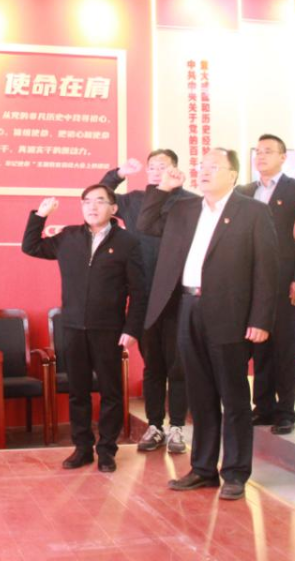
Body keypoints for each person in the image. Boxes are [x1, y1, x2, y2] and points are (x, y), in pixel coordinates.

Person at [138, 149, 278, 501]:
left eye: (214, 167)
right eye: (202, 166)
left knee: (233, 396)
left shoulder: (253, 212)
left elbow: (267, 269)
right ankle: (203, 469)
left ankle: (235, 472)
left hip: (230, 312)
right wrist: (163, 189)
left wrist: (260, 319)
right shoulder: (183, 209)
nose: (204, 171)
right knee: (199, 394)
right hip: (187, 307)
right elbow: (146, 224)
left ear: (232, 175)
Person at [22, 184, 148, 473]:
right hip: (73, 328)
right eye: (87, 201)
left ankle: (107, 450)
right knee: (78, 392)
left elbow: (139, 292)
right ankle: (82, 448)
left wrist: (132, 328)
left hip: (109, 330)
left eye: (100, 201)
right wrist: (40, 216)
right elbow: (31, 246)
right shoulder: (68, 237)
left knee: (111, 392)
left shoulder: (128, 242)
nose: (92, 206)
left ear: (113, 209)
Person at [99, 150, 197, 453]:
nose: (155, 170)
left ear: (175, 169)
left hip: (179, 294)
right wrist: (119, 173)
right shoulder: (134, 200)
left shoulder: (191, 202)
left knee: (178, 364)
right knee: (153, 364)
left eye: (162, 166)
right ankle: (155, 425)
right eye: (151, 166)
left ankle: (177, 426)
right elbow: (102, 194)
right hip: (145, 294)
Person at [237, 134, 295, 435]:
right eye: (258, 151)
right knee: (259, 345)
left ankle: (286, 411)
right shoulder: (245, 191)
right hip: (250, 282)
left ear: (283, 157)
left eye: (268, 151)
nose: (261, 156)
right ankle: (264, 407)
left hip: (284, 280)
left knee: (284, 346)